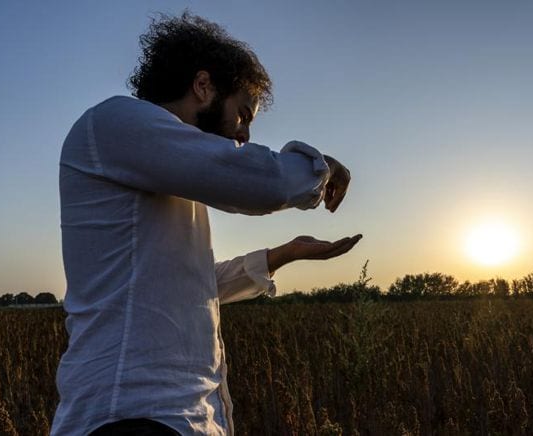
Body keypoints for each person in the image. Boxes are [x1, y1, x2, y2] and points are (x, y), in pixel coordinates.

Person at [51, 12, 361, 436]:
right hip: (130, 414)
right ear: (203, 86)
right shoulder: (113, 123)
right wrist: (320, 169)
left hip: (178, 417)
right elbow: (258, 180)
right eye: (243, 114)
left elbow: (190, 285)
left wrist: (283, 255)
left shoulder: (164, 170)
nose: (245, 134)